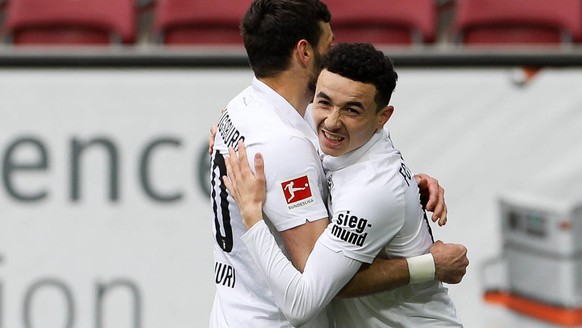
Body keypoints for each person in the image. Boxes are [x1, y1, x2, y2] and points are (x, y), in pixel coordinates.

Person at [209, 1, 468, 327]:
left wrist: (400, 194)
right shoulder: (285, 141)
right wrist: (428, 264)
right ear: (305, 52)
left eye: (352, 110)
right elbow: (307, 295)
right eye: (328, 44)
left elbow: (368, 188)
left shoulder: (241, 109)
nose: (332, 120)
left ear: (381, 118)